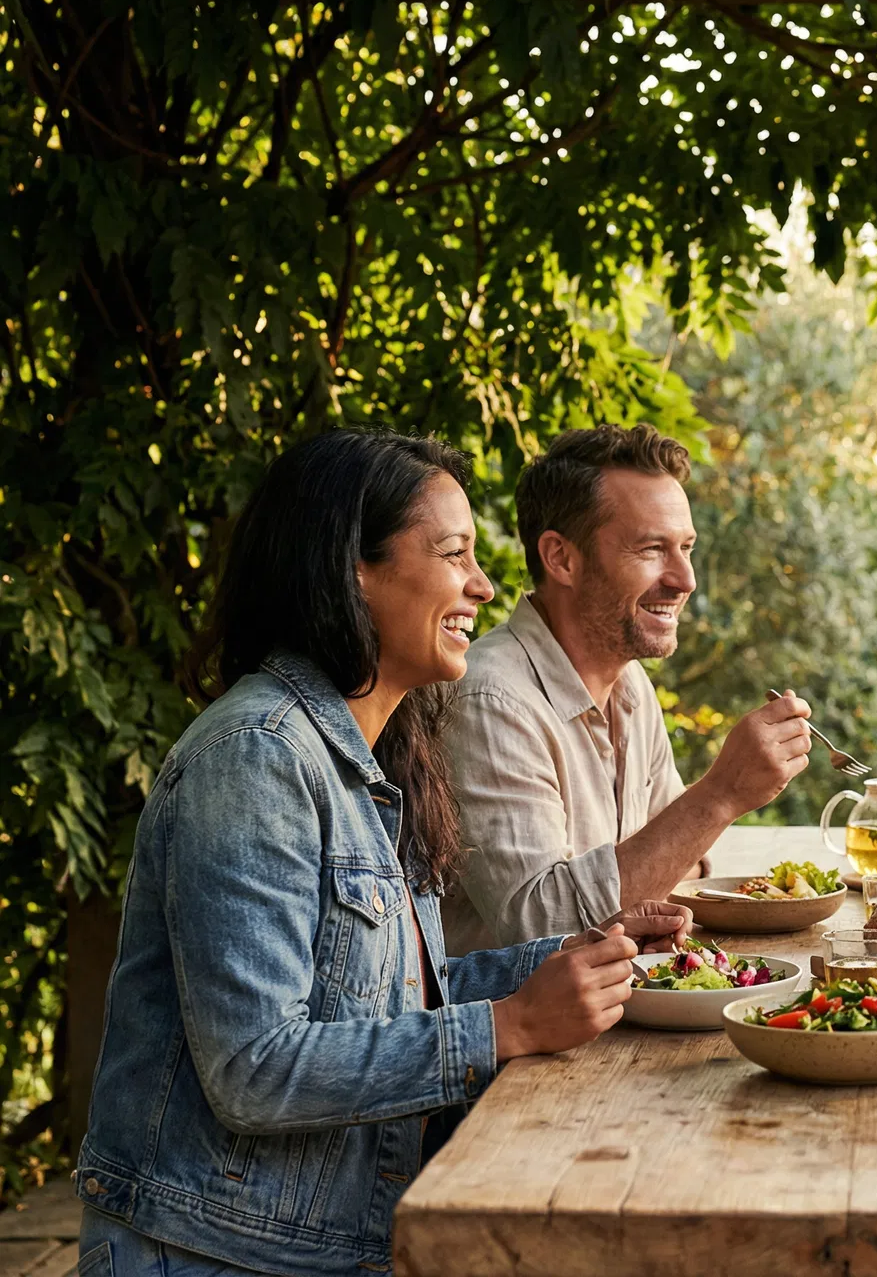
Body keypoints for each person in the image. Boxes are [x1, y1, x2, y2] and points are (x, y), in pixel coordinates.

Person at [75, 430, 691, 1277]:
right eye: (453, 554)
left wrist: (578, 957)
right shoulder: (257, 757)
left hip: (330, 1241)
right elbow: (253, 1068)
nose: (482, 585)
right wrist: (509, 1025)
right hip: (216, 1253)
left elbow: (391, 999)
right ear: (352, 570)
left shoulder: (379, 759)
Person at [440, 424, 813, 954]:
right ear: (561, 558)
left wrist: (677, 842)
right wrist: (722, 793)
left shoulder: (630, 682)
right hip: (509, 1009)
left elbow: (680, 860)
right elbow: (541, 931)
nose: (685, 579)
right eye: (652, 548)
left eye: (686, 548)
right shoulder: (489, 700)